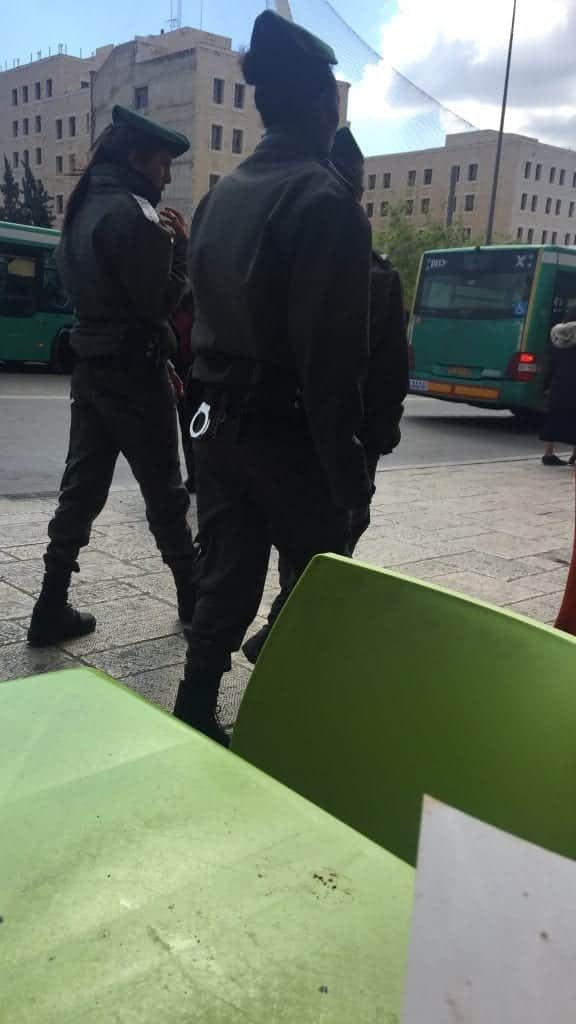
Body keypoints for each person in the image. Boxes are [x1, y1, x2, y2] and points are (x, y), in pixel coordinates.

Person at [172, 11, 373, 744]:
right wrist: (348, 476)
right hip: (289, 432)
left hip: (216, 423)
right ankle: (290, 728)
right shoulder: (326, 203)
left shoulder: (219, 197)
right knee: (317, 580)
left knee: (224, 572)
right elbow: (332, 362)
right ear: (324, 107)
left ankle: (195, 710)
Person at [27, 105, 199, 647]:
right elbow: (159, 305)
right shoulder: (135, 214)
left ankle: (50, 605)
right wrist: (181, 252)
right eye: (163, 163)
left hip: (91, 370)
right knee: (166, 496)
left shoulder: (82, 210)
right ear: (135, 157)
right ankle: (194, 601)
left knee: (79, 491)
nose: (168, 175)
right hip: (134, 370)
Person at [241, 127, 410, 664]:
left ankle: (285, 620)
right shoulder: (377, 273)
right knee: (335, 530)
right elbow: (388, 371)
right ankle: (289, 625)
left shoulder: (278, 252)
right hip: (346, 429)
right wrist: (379, 437)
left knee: (299, 530)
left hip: (286, 421)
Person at [541, 304, 576, 466]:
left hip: (558, 384)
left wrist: (545, 386)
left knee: (553, 418)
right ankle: (574, 455)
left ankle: (548, 454)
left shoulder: (557, 337)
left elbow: (550, 365)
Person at [170, 290, 197, 492]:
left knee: (195, 430)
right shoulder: (171, 311)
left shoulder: (196, 307)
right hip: (179, 374)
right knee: (187, 429)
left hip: (195, 375)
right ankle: (194, 476)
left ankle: (200, 475)